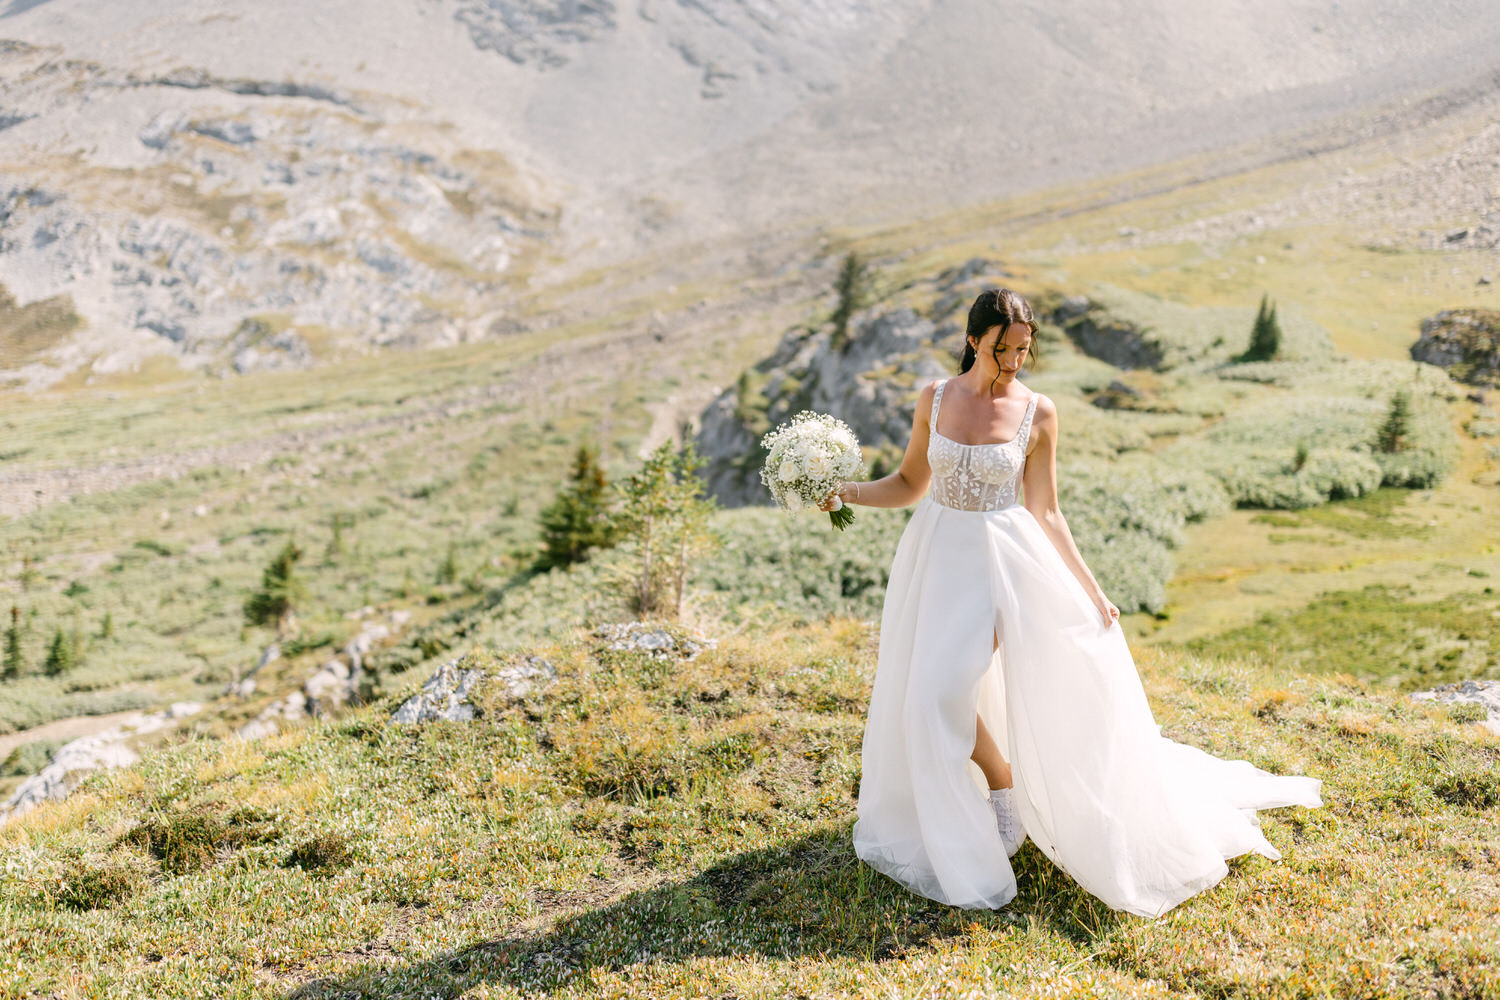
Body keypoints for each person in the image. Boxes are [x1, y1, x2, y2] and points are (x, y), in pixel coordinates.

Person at [820, 287, 1322, 916]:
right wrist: (843, 492)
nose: (1014, 362)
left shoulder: (1039, 413)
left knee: (939, 693)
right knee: (930, 692)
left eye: (1024, 350)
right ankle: (996, 791)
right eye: (1003, 349)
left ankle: (1002, 798)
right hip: (936, 553)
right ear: (974, 339)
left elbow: (1047, 511)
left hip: (1003, 561)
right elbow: (910, 483)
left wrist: (1095, 591)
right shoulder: (935, 399)